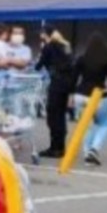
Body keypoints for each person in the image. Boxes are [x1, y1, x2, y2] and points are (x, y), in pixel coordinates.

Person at [71, 31, 107, 166]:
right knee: (105, 122)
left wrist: (70, 95)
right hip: (98, 96)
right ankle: (95, 149)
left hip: (80, 95)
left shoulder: (81, 59)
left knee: (86, 125)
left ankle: (87, 153)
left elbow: (73, 78)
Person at [34, 29, 74, 158]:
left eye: (41, 34)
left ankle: (54, 148)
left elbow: (38, 66)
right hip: (67, 84)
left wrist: (40, 55)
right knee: (61, 116)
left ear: (45, 34)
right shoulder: (66, 46)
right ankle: (61, 147)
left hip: (56, 84)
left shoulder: (48, 47)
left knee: (52, 115)